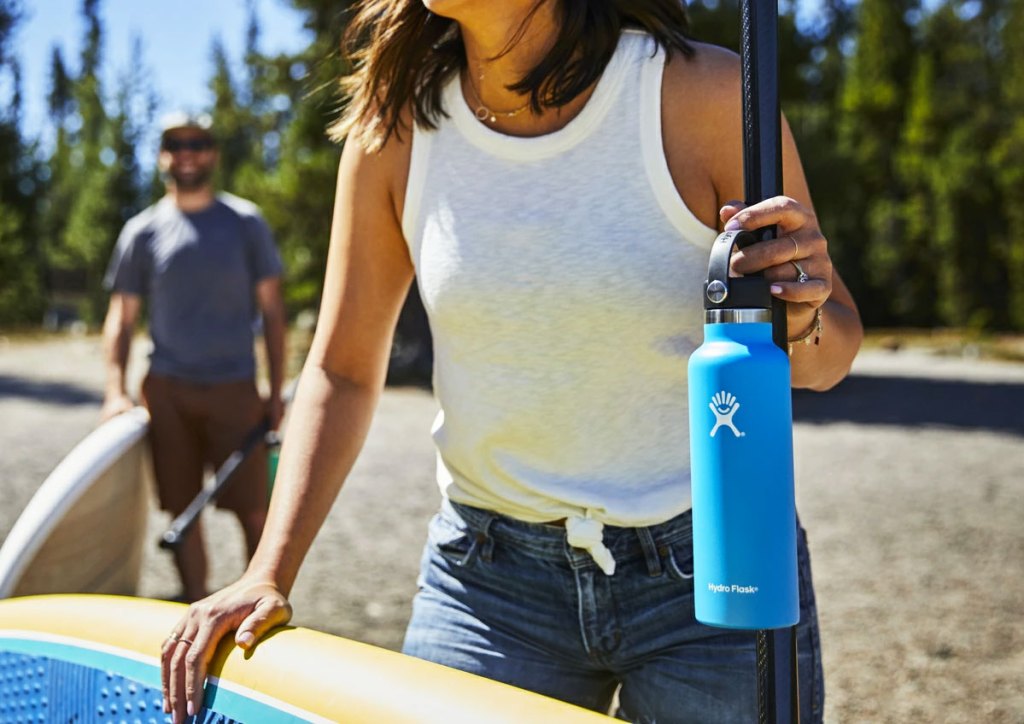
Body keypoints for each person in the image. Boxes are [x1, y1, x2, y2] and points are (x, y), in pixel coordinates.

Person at [161, 2, 863, 722]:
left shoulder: (704, 95)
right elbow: (340, 369)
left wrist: (801, 320)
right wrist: (267, 572)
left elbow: (828, 355)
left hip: (715, 569)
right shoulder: (396, 131)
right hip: (489, 582)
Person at [101, 111, 287, 604]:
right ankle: (195, 599)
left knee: (253, 508)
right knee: (182, 511)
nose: (187, 153)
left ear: (213, 153)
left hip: (236, 389)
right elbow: (121, 317)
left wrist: (274, 390)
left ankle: (260, 600)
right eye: (176, 144)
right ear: (163, 155)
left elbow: (272, 312)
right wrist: (116, 390)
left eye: (197, 143)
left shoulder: (246, 223)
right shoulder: (141, 231)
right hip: (168, 392)